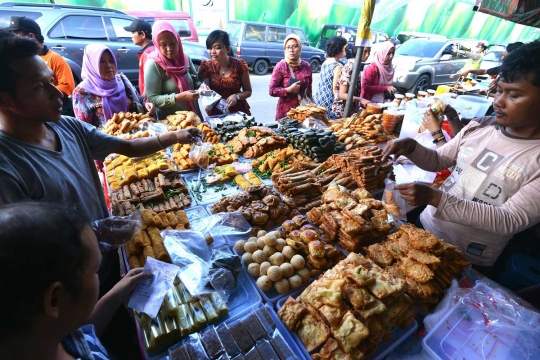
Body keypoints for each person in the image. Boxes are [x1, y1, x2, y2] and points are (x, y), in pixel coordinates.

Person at [0, 30, 204, 357]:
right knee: (90, 339)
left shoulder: (67, 127)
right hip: (66, 290)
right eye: (40, 87)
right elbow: (24, 251)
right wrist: (91, 233)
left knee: (119, 328)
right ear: (5, 99)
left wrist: (175, 135)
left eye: (52, 81)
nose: (59, 94)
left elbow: (126, 146)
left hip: (105, 263)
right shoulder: (6, 165)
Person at [381, 40, 540, 276]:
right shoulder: (479, 127)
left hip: (470, 257)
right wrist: (411, 148)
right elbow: (438, 161)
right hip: (426, 228)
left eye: (514, 95)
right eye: (498, 90)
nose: (498, 101)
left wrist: (436, 198)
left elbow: (510, 218)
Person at [0, 202, 151, 360]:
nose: (97, 276)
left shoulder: (52, 333)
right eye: (94, 270)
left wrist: (115, 295)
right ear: (54, 299)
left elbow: (86, 335)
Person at [3, 16, 75, 116]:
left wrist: (43, 93)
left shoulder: (54, 58)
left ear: (31, 36)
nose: (13, 38)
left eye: (16, 35)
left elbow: (67, 86)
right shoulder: (21, 61)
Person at [72, 44, 154, 128]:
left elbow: (138, 102)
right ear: (91, 64)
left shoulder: (122, 81)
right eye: (102, 61)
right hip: (104, 139)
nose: (109, 65)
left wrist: (146, 105)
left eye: (111, 61)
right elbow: (84, 128)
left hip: (134, 135)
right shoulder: (81, 92)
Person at [145, 20, 200, 119]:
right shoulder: (154, 65)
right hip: (171, 125)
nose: (169, 48)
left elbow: (196, 82)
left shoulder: (185, 58)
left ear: (178, 41)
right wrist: (180, 97)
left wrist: (202, 86)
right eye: (163, 45)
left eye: (172, 43)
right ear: (157, 44)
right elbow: (153, 99)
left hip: (193, 118)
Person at [198, 29, 252, 116]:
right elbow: (197, 84)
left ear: (227, 49)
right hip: (215, 113)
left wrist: (236, 96)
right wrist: (201, 87)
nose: (212, 52)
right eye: (210, 48)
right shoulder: (206, 66)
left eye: (217, 47)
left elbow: (248, 91)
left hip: (238, 112)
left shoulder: (240, 65)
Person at [269, 33, 313, 120]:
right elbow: (272, 90)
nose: (291, 50)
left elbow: (309, 88)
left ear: (300, 49)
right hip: (286, 114)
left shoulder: (306, 66)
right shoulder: (281, 66)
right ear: (285, 50)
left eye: (294, 46)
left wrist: (311, 105)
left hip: (303, 111)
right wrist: (288, 90)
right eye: (288, 47)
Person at [331, 47, 371, 118]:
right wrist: (361, 100)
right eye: (365, 51)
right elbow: (342, 94)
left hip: (350, 109)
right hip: (342, 111)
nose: (367, 55)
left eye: (369, 52)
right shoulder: (350, 67)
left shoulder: (356, 65)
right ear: (357, 51)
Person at [314, 35, 347, 119]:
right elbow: (335, 88)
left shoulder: (326, 62)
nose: (344, 50)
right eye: (343, 48)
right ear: (338, 49)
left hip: (319, 98)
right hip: (328, 101)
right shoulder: (337, 66)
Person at [124, 18, 156, 96]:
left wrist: (145, 99)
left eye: (133, 33)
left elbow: (149, 81)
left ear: (142, 34)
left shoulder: (148, 54)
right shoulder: (151, 49)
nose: (131, 36)